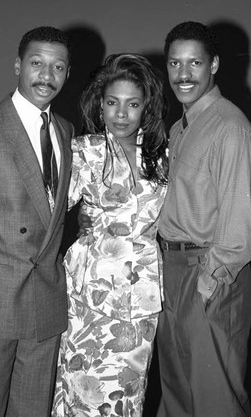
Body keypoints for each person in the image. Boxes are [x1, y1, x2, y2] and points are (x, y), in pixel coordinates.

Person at [0, 26, 74, 417]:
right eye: (37, 63)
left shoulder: (66, 131)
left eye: (57, 67)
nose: (46, 75)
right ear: (18, 65)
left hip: (46, 307)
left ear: (67, 74)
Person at [51, 53, 169, 417]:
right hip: (91, 291)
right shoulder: (83, 151)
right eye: (112, 103)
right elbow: (48, 208)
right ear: (99, 106)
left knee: (130, 390)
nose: (121, 113)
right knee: (81, 386)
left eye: (132, 104)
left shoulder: (162, 156)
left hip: (142, 290)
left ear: (145, 107)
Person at [156, 21, 251, 417]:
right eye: (174, 63)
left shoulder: (231, 129)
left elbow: (239, 231)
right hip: (173, 269)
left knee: (215, 397)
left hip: (211, 273)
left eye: (194, 62)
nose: (183, 74)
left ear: (214, 65)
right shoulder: (179, 128)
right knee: (178, 391)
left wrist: (208, 280)